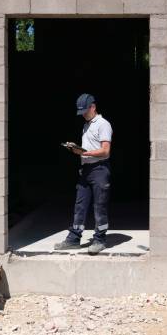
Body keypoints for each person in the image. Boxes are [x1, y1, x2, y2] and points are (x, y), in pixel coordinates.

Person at [55, 93, 113, 255]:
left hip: (100, 169)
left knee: (99, 206)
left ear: (93, 107)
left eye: (85, 111)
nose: (83, 115)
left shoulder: (103, 124)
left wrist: (85, 154)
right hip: (86, 170)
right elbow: (90, 148)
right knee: (80, 205)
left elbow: (106, 151)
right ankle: (73, 239)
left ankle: (100, 240)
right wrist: (77, 149)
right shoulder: (86, 125)